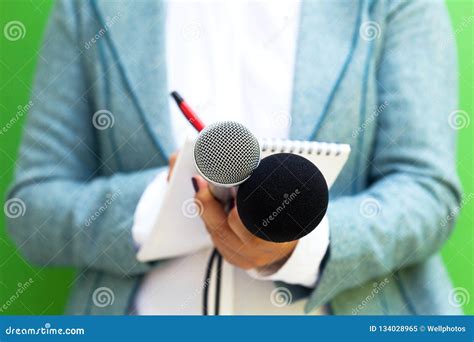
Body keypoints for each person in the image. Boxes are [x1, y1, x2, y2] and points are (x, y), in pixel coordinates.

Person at [6, 0, 462, 315]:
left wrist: (299, 240)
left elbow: (427, 191)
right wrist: (170, 204)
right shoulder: (92, 8)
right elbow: (32, 211)